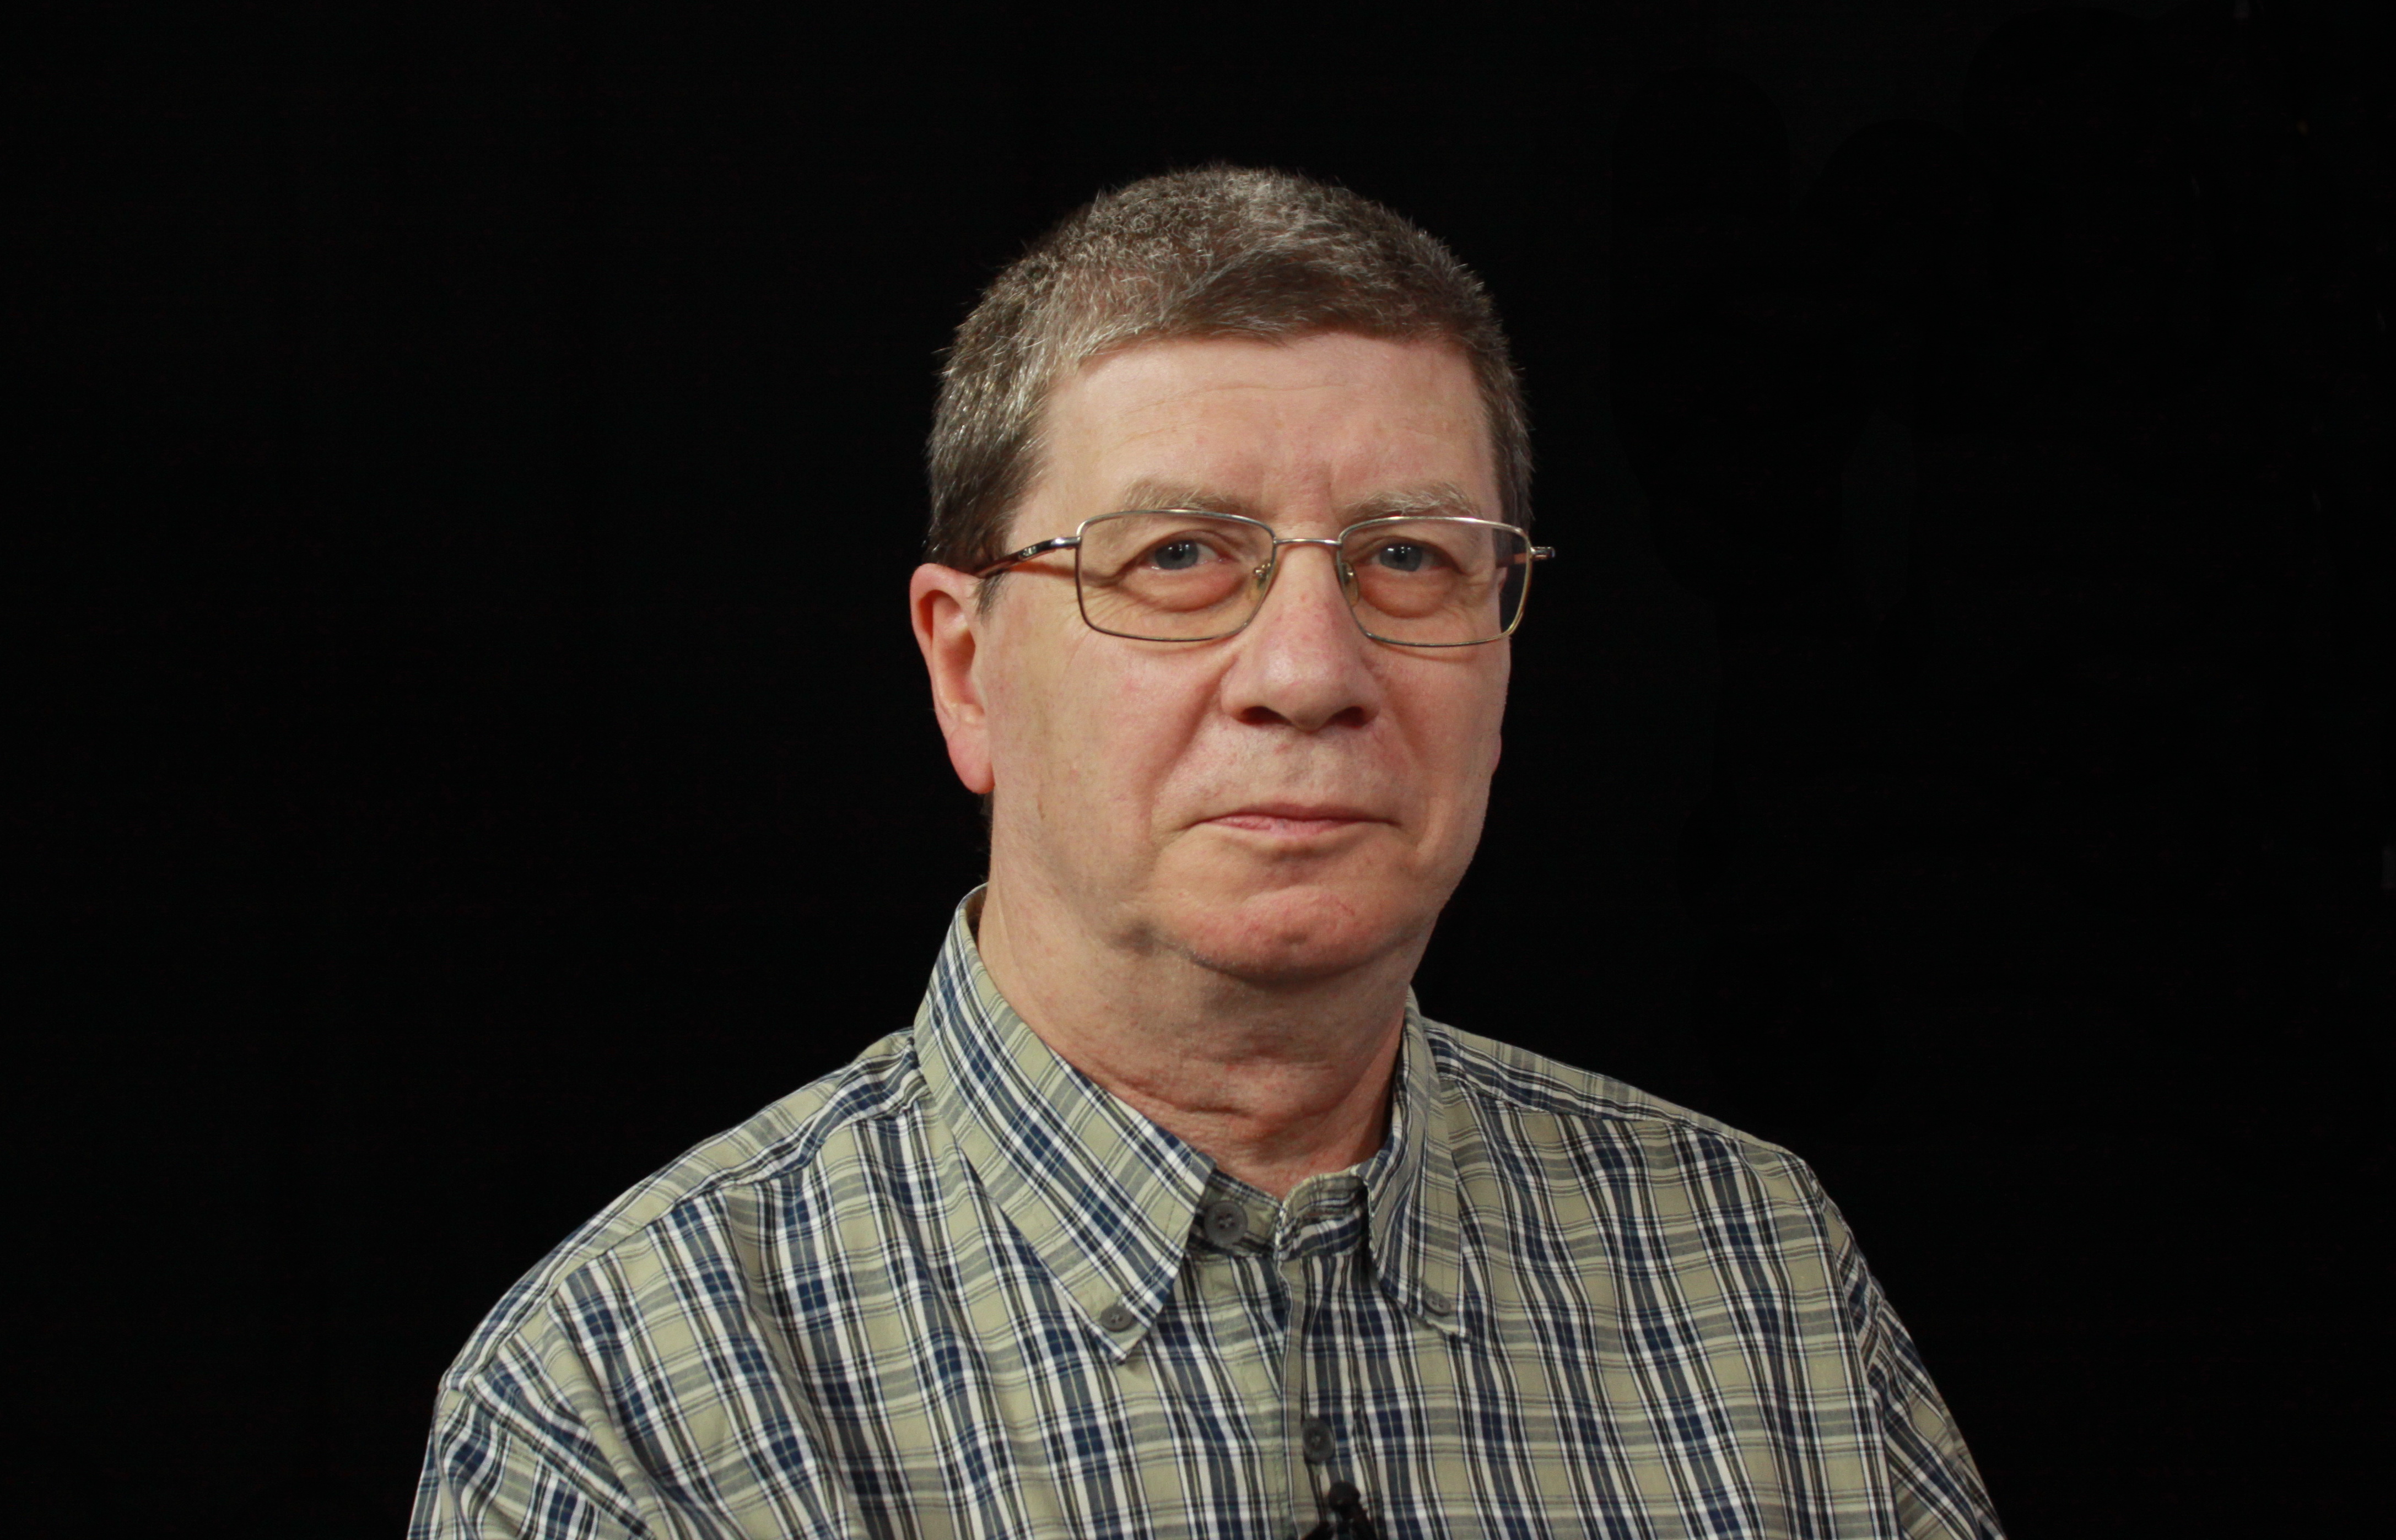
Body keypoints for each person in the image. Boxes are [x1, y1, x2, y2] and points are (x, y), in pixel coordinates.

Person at [411, 166, 2004, 1539]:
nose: (1309, 671)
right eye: (1178, 555)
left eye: (1406, 557)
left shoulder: (1756, 1269)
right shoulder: (630, 1398)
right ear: (966, 669)